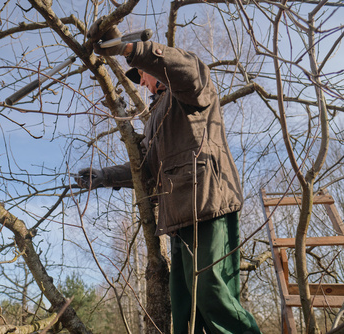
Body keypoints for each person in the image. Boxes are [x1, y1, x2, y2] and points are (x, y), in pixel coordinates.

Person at [75, 17, 262, 334]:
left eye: (142, 75)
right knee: (185, 307)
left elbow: (185, 68)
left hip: (207, 203)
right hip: (177, 219)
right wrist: (102, 176)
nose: (142, 83)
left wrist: (128, 48)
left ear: (155, 65)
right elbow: (145, 169)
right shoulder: (155, 119)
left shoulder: (191, 89)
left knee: (213, 295)